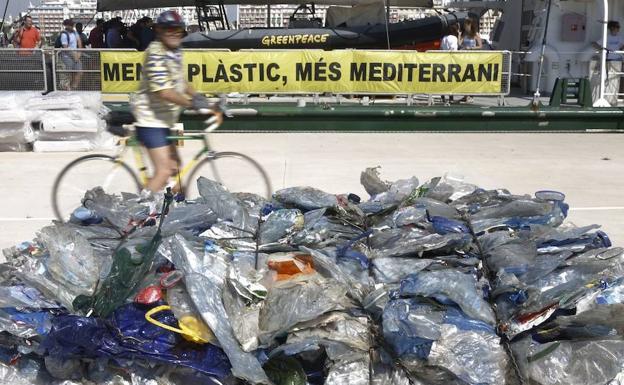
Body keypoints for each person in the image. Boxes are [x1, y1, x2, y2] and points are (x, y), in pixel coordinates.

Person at [130, 10, 222, 196]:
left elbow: (181, 83)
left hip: (166, 120)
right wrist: (194, 105)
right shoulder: (155, 54)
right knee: (164, 171)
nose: (173, 33)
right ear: (159, 31)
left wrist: (202, 99)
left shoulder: (176, 51)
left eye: (177, 30)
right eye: (167, 29)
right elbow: (164, 92)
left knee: (177, 172)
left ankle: (175, 216)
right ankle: (136, 217)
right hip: (150, 120)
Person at [592, 20, 624, 106]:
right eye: (617, 27)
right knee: (606, 80)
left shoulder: (620, 38)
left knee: (615, 80)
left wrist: (621, 49)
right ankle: (606, 98)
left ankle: (613, 100)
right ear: (612, 28)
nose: (618, 29)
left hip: (617, 60)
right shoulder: (606, 37)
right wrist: (602, 49)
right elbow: (594, 44)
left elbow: (622, 45)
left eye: (618, 28)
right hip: (607, 60)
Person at [459, 18, 482, 103]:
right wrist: (459, 35)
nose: (466, 27)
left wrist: (471, 48)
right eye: (465, 26)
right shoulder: (464, 34)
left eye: (467, 26)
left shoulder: (476, 35)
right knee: (465, 77)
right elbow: (459, 44)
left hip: (473, 58)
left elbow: (480, 46)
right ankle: (465, 96)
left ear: (471, 26)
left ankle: (471, 96)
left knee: (471, 77)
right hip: (465, 58)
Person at [59, 19, 83, 90]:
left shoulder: (74, 32)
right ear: (66, 25)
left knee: (79, 72)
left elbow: (79, 42)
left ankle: (73, 87)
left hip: (76, 55)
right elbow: (65, 47)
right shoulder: (64, 34)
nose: (72, 26)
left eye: (73, 25)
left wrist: (79, 52)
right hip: (67, 56)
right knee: (68, 74)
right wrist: (74, 55)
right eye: (71, 25)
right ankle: (67, 88)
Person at [440, 23, 460, 104]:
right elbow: (454, 49)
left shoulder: (444, 38)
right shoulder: (454, 38)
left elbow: (441, 48)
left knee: (443, 79)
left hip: (444, 59)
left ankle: (443, 96)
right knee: (451, 79)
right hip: (451, 60)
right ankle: (451, 97)